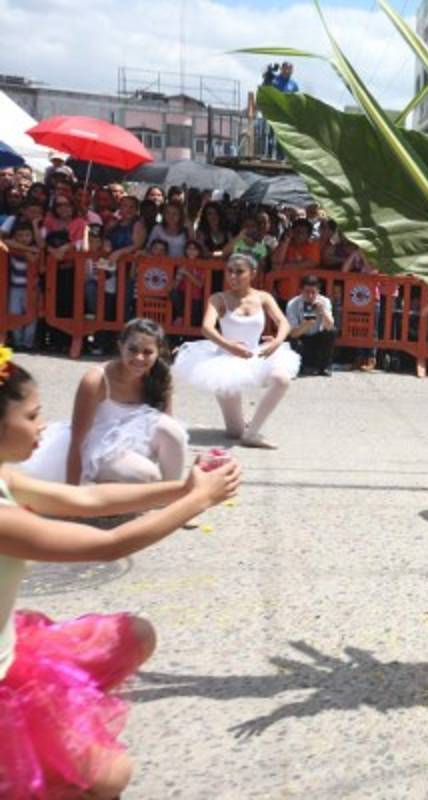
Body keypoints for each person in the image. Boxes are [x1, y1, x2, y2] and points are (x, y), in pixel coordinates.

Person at [0, 351, 241, 800]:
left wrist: (184, 488)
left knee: (135, 635)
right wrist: (199, 502)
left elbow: (90, 500)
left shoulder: (4, 477)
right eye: (32, 415)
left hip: (12, 651)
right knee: (109, 778)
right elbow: (109, 545)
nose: (43, 425)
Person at [19, 319, 188, 486]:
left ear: (158, 352)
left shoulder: (160, 377)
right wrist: (73, 495)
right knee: (147, 475)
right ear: (121, 346)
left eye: (147, 352)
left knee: (175, 432)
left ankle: (170, 491)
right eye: (132, 349)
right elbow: (78, 441)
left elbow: (167, 423)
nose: (139, 358)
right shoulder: (97, 379)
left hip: (136, 439)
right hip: (98, 445)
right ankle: (97, 484)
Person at [173, 254, 299, 449]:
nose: (233, 276)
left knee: (282, 380)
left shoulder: (263, 297)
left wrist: (277, 342)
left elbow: (283, 322)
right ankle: (241, 425)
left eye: (239, 272)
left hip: (256, 356)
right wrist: (230, 346)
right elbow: (207, 328)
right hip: (226, 361)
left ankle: (252, 433)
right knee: (233, 433)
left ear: (252, 273)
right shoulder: (218, 298)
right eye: (230, 271)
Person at [285, 275, 336, 376]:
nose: (310, 296)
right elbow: (293, 334)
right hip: (302, 338)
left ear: (318, 291)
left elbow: (330, 326)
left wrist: (323, 312)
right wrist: (308, 322)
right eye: (307, 292)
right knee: (292, 340)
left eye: (313, 292)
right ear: (301, 290)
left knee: (332, 332)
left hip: (318, 337)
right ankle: (302, 366)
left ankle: (325, 366)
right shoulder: (292, 304)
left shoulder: (325, 301)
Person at [3, 221, 38, 350]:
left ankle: (27, 343)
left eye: (27, 235)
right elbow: (5, 242)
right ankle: (17, 342)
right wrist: (27, 249)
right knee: (14, 313)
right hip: (15, 287)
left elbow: (34, 259)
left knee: (31, 315)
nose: (24, 238)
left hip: (32, 288)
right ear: (15, 237)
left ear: (32, 236)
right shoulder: (15, 247)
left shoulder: (36, 247)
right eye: (20, 235)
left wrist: (26, 250)